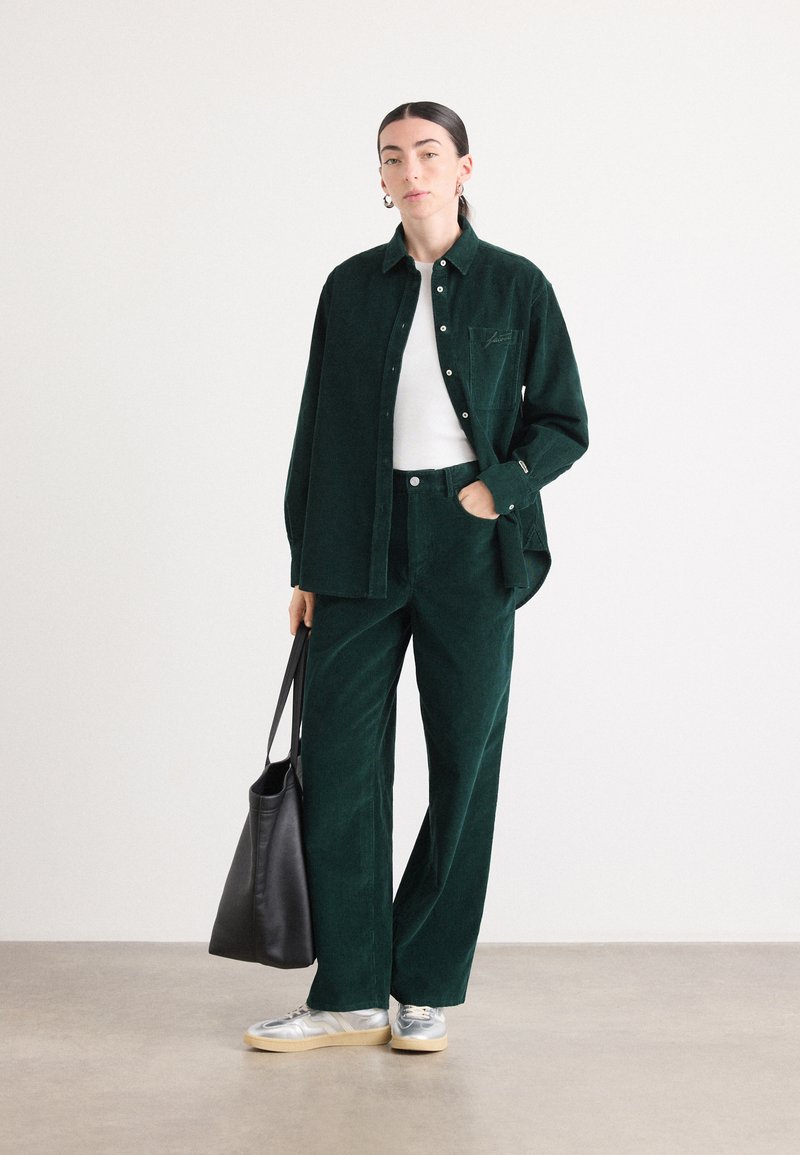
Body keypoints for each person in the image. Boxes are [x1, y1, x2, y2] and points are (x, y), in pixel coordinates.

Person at [244, 101, 588, 1053]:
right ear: (381, 177)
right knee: (341, 765)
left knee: (463, 762)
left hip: (470, 544)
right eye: (393, 157)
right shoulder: (350, 287)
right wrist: (306, 560)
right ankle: (350, 992)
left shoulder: (517, 285)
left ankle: (423, 984)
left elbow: (566, 422)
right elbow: (317, 428)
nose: (412, 170)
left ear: (465, 168)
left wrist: (496, 489)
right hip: (355, 542)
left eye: (429, 153)